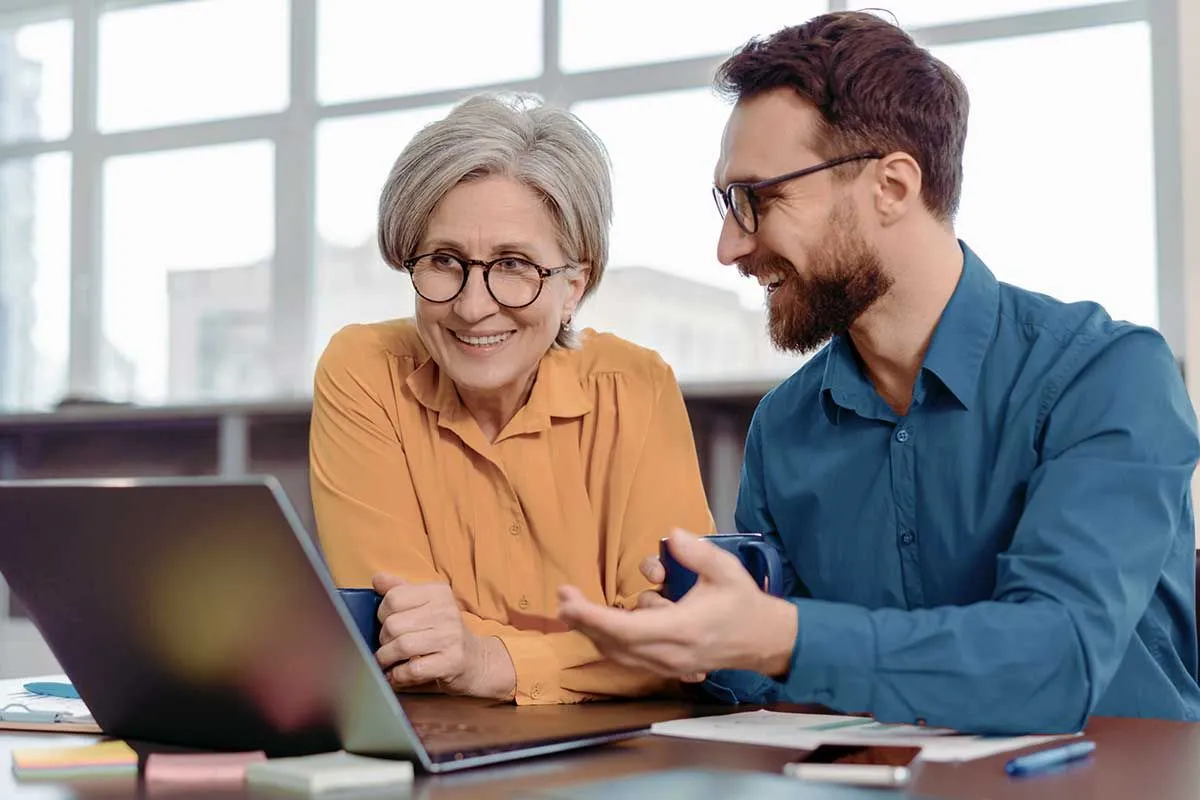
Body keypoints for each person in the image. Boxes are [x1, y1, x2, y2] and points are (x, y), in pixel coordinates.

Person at [557, 11, 1200, 733]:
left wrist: (778, 636)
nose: (729, 247)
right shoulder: (786, 425)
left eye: (756, 200)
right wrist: (702, 644)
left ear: (892, 187)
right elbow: (775, 663)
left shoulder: (1108, 376)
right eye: (726, 204)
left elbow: (1055, 657)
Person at [310, 93, 714, 705]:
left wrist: (488, 660)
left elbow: (678, 644)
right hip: (433, 754)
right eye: (445, 261)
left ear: (573, 288)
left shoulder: (637, 387)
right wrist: (602, 654)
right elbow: (407, 641)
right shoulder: (364, 372)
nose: (473, 306)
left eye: (514, 264)